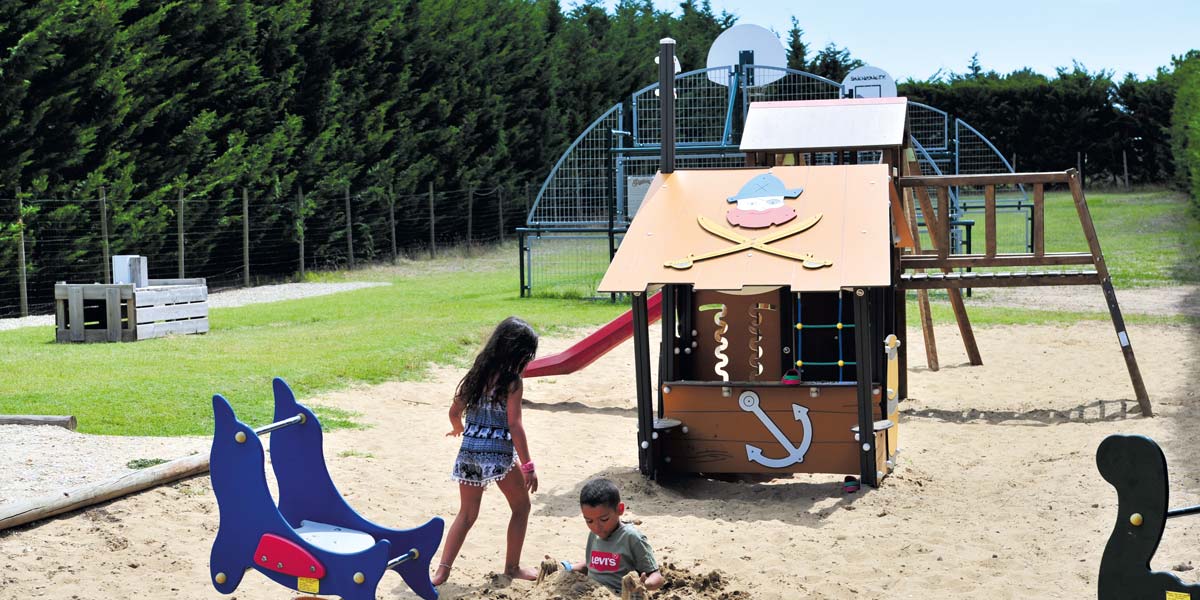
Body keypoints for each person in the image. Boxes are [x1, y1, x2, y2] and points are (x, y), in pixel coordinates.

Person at [431, 316, 540, 586]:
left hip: (469, 452)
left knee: (466, 514)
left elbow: (455, 411)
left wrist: (458, 428)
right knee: (521, 507)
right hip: (498, 456)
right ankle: (512, 567)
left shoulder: (476, 374)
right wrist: (528, 466)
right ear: (516, 354)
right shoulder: (512, 382)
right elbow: (515, 425)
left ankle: (442, 571)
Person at [561, 478, 664, 595]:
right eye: (589, 521)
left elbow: (656, 575)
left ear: (620, 509)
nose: (596, 527)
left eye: (604, 519)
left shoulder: (631, 538)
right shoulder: (594, 535)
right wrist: (569, 568)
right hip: (591, 592)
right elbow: (592, 564)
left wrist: (646, 584)